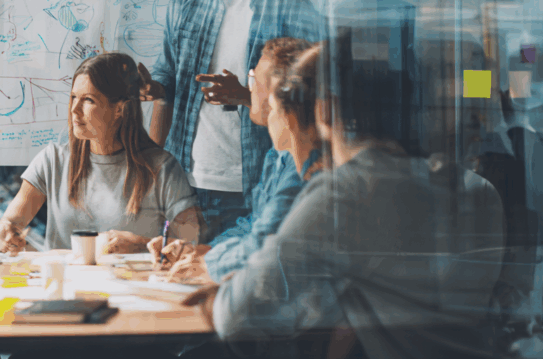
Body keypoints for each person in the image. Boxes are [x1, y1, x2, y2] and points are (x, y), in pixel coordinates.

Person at [183, 32, 506, 359]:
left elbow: (238, 316)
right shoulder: (478, 191)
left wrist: (220, 297)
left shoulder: (345, 194)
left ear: (323, 111)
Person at [139, 0, 323, 241]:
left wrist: (245, 95)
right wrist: (152, 87)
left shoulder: (290, 7)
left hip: (252, 181)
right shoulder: (186, 0)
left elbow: (312, 98)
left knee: (235, 279)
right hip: (184, 180)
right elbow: (168, 75)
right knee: (179, 277)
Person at [148, 38, 321, 284]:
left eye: (253, 81)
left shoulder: (302, 164)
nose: (248, 90)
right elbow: (250, 226)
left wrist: (207, 263)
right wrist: (196, 251)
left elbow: (263, 241)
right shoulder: (277, 155)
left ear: (280, 96)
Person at [0, 53, 200, 255]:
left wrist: (141, 245)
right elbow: (10, 223)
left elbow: (191, 246)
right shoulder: (52, 160)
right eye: (73, 97)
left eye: (88, 100)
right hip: (64, 284)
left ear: (120, 109)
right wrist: (4, 232)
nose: (74, 109)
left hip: (132, 286)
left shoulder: (162, 167)